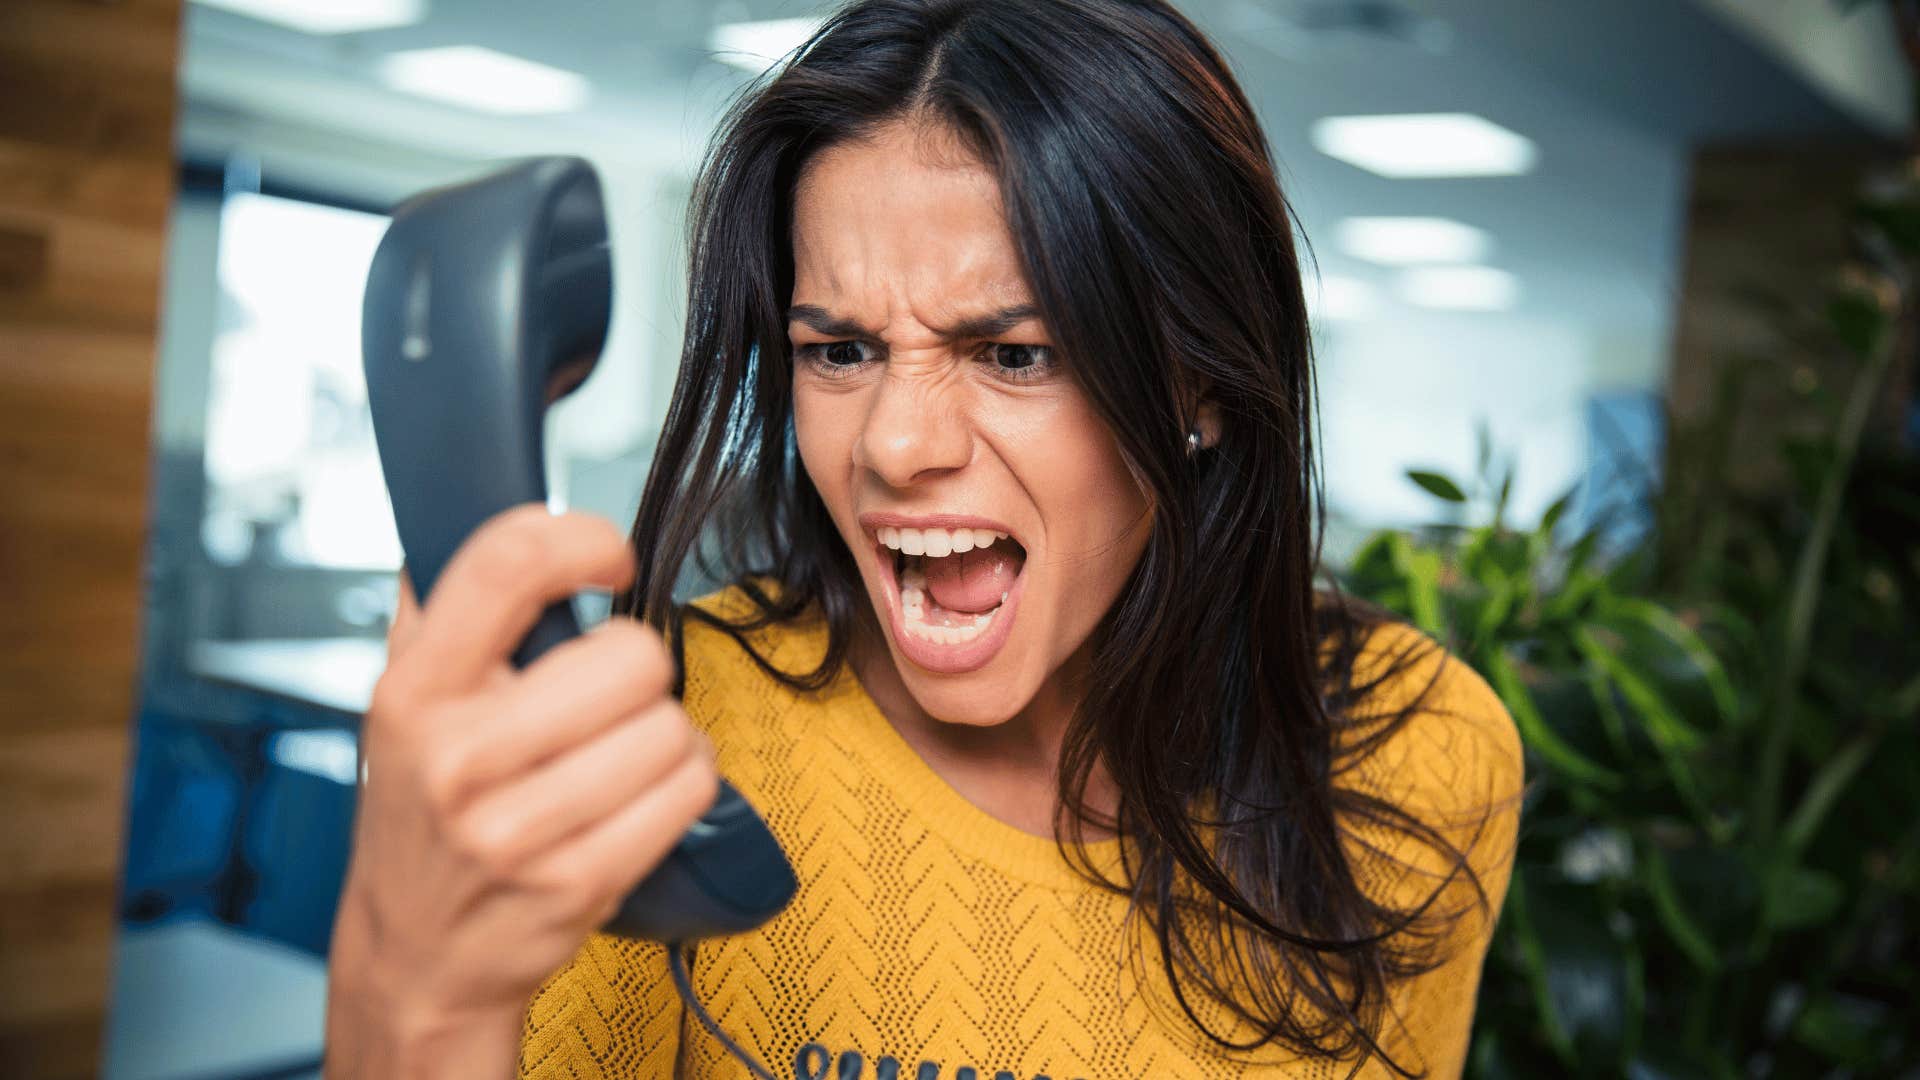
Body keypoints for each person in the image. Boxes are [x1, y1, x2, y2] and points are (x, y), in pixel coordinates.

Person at [322, 0, 1525, 1077]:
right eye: (837, 350)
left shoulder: (1419, 756)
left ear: (1202, 387)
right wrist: (415, 999)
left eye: (1015, 354)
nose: (894, 446)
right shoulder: (662, 749)